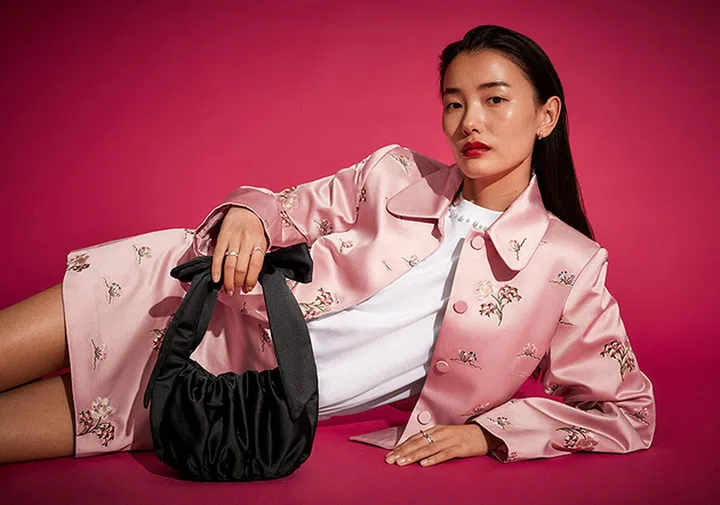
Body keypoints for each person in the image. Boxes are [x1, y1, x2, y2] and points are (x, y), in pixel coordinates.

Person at [0, 24, 655, 467]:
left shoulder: (568, 265)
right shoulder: (394, 173)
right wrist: (249, 214)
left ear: (546, 116)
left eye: (494, 99)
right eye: (454, 103)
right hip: (172, 295)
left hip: (225, 402)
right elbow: (281, 206)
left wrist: (488, 434)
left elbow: (627, 411)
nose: (470, 122)